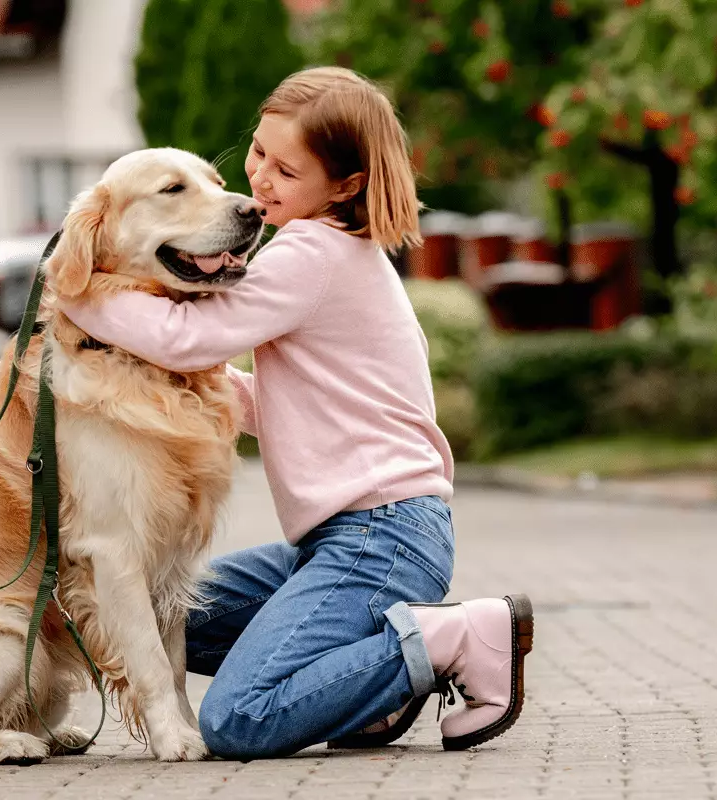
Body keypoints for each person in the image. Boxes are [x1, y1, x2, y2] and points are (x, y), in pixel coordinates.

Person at [58, 66, 533, 760]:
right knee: (179, 610)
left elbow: (186, 337)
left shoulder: (309, 254)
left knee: (239, 720)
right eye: (258, 153)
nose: (260, 178)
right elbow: (269, 399)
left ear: (343, 186)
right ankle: (366, 696)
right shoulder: (337, 252)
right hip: (342, 542)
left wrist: (76, 288)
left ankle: (456, 637)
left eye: (287, 169)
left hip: (382, 539)